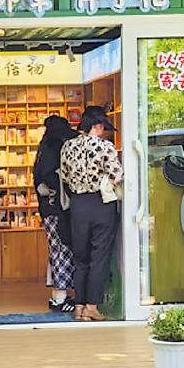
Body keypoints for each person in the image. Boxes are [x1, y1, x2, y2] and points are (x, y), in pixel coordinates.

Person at [59, 106, 123, 322]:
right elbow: (116, 175)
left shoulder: (67, 146)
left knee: (80, 257)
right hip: (100, 203)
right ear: (98, 126)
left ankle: (79, 306)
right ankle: (92, 306)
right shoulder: (104, 146)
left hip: (78, 204)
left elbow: (65, 177)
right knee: (99, 256)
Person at [33, 115, 77, 314]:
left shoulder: (44, 149)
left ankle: (58, 296)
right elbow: (51, 178)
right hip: (55, 209)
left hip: (47, 209)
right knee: (62, 250)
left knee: (56, 250)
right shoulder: (54, 150)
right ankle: (60, 298)